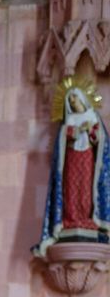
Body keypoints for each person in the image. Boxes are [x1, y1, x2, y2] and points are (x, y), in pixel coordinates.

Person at [34, 80, 110, 257]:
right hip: (72, 159)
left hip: (87, 159)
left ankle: (86, 219)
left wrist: (91, 131)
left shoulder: (93, 116)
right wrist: (74, 132)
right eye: (71, 101)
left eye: (76, 99)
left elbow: (101, 141)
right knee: (70, 190)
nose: (74, 103)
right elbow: (63, 137)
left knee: (85, 190)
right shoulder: (68, 121)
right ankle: (71, 219)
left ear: (83, 99)